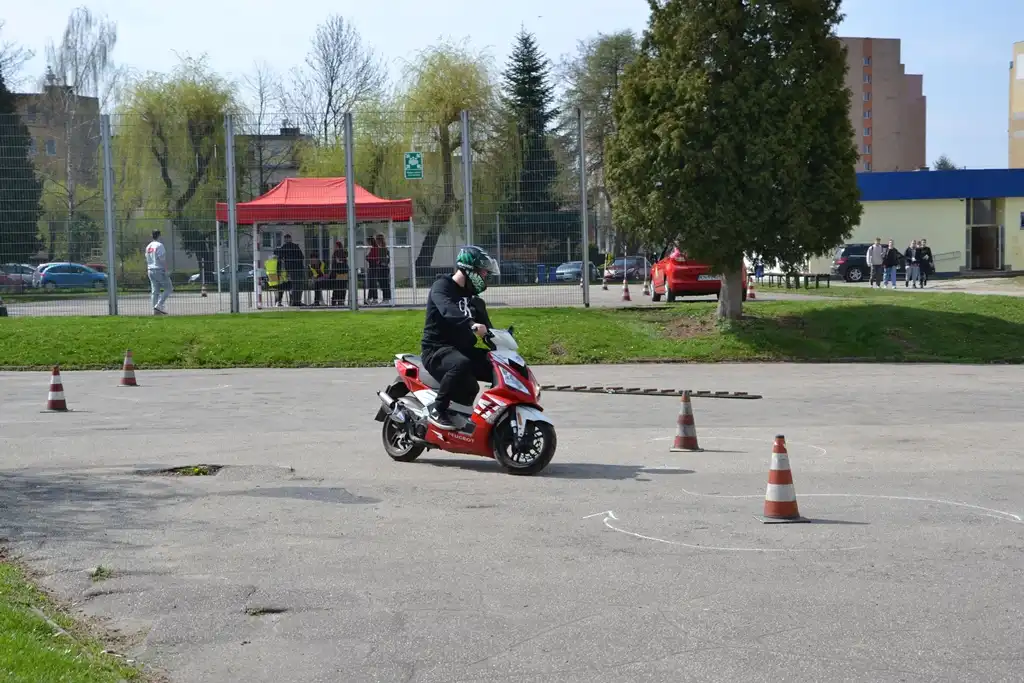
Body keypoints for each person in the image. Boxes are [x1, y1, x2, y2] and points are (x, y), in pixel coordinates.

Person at [420, 245, 500, 430]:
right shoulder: (442, 287)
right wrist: (471, 325)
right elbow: (448, 310)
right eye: (483, 272)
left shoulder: (475, 300)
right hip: (437, 350)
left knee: (497, 366)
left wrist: (499, 341)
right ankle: (437, 410)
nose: (485, 277)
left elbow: (489, 331)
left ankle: (494, 418)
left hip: (463, 350)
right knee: (460, 364)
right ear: (469, 270)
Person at [145, 229, 173, 315]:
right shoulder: (159, 245)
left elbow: (147, 258)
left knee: (155, 290)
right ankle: (159, 305)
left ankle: (155, 311)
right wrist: (166, 269)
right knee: (169, 288)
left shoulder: (148, 246)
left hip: (150, 269)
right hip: (159, 269)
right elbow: (162, 259)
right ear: (159, 236)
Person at [277, 233, 305, 306]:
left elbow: (279, 259)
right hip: (299, 268)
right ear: (291, 239)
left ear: (285, 240)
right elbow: (302, 257)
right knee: (299, 286)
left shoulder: (283, 248)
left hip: (290, 269)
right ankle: (297, 301)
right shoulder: (296, 246)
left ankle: (294, 302)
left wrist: (279, 271)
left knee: (293, 286)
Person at [329, 240, 348, 307]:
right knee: (342, 287)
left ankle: (335, 301)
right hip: (343, 272)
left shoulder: (336, 253)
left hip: (338, 272)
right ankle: (341, 300)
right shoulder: (344, 252)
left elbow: (334, 264)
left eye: (336, 246)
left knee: (337, 287)